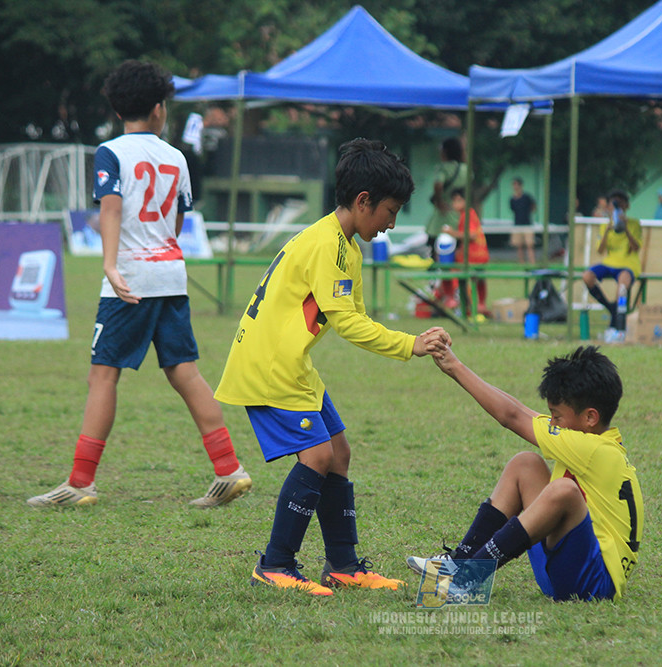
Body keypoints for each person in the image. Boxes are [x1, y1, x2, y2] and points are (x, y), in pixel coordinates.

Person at [214, 138, 451, 596]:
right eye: (390, 210)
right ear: (363, 201)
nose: (392, 222)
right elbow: (350, 326)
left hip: (291, 363)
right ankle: (275, 564)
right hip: (271, 367)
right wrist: (411, 345)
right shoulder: (328, 245)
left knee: (338, 452)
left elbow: (355, 316)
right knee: (319, 457)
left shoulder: (345, 246)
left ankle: (343, 565)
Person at [27, 61, 251, 509]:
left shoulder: (111, 152)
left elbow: (110, 209)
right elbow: (178, 220)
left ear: (116, 109)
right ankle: (229, 469)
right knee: (184, 370)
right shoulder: (176, 157)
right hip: (170, 274)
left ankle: (80, 482)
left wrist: (110, 264)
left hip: (130, 278)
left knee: (102, 375)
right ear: (157, 109)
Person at [407, 345, 642, 604]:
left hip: (595, 586)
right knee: (526, 465)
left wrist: (454, 366)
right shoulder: (590, 440)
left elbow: (511, 416)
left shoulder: (594, 450)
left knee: (564, 491)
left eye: (557, 416)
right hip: (565, 571)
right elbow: (522, 411)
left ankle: (467, 578)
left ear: (590, 417)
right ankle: (459, 562)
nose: (551, 423)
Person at [581, 190, 642, 343]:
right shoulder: (605, 226)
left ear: (626, 206)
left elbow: (636, 248)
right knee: (587, 276)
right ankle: (612, 309)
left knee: (622, 287)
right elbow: (600, 250)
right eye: (613, 203)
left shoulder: (634, 224)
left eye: (620, 203)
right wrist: (608, 230)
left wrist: (626, 228)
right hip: (610, 262)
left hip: (627, 264)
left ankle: (619, 327)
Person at [441, 188, 491, 317]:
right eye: (454, 201)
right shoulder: (468, 214)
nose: (455, 204)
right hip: (479, 255)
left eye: (459, 200)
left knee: (453, 271)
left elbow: (472, 235)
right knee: (477, 278)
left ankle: (458, 301)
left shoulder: (467, 214)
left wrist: (451, 233)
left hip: (474, 255)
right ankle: (479, 304)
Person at [425, 137, 467, 259]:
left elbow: (438, 183)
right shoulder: (465, 169)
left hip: (442, 217)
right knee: (458, 254)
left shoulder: (444, 167)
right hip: (458, 217)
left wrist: (439, 201)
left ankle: (435, 276)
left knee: (434, 250)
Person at [509, 177, 537, 264]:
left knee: (529, 245)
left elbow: (533, 206)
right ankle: (522, 263)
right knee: (519, 246)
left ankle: (532, 262)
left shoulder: (526, 197)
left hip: (527, 224)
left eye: (516, 184)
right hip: (517, 224)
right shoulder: (512, 199)